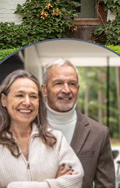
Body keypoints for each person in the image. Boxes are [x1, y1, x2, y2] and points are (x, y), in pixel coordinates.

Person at [0, 69, 83, 188]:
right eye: (19, 95)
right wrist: (55, 183)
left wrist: (13, 186)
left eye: (33, 96)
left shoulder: (56, 139)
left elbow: (76, 180)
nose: (27, 102)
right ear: (4, 100)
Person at [42, 59, 115, 188]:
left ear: (78, 89)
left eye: (72, 84)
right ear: (44, 90)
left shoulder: (98, 133)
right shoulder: (27, 127)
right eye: (58, 83)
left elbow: (106, 185)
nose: (66, 90)